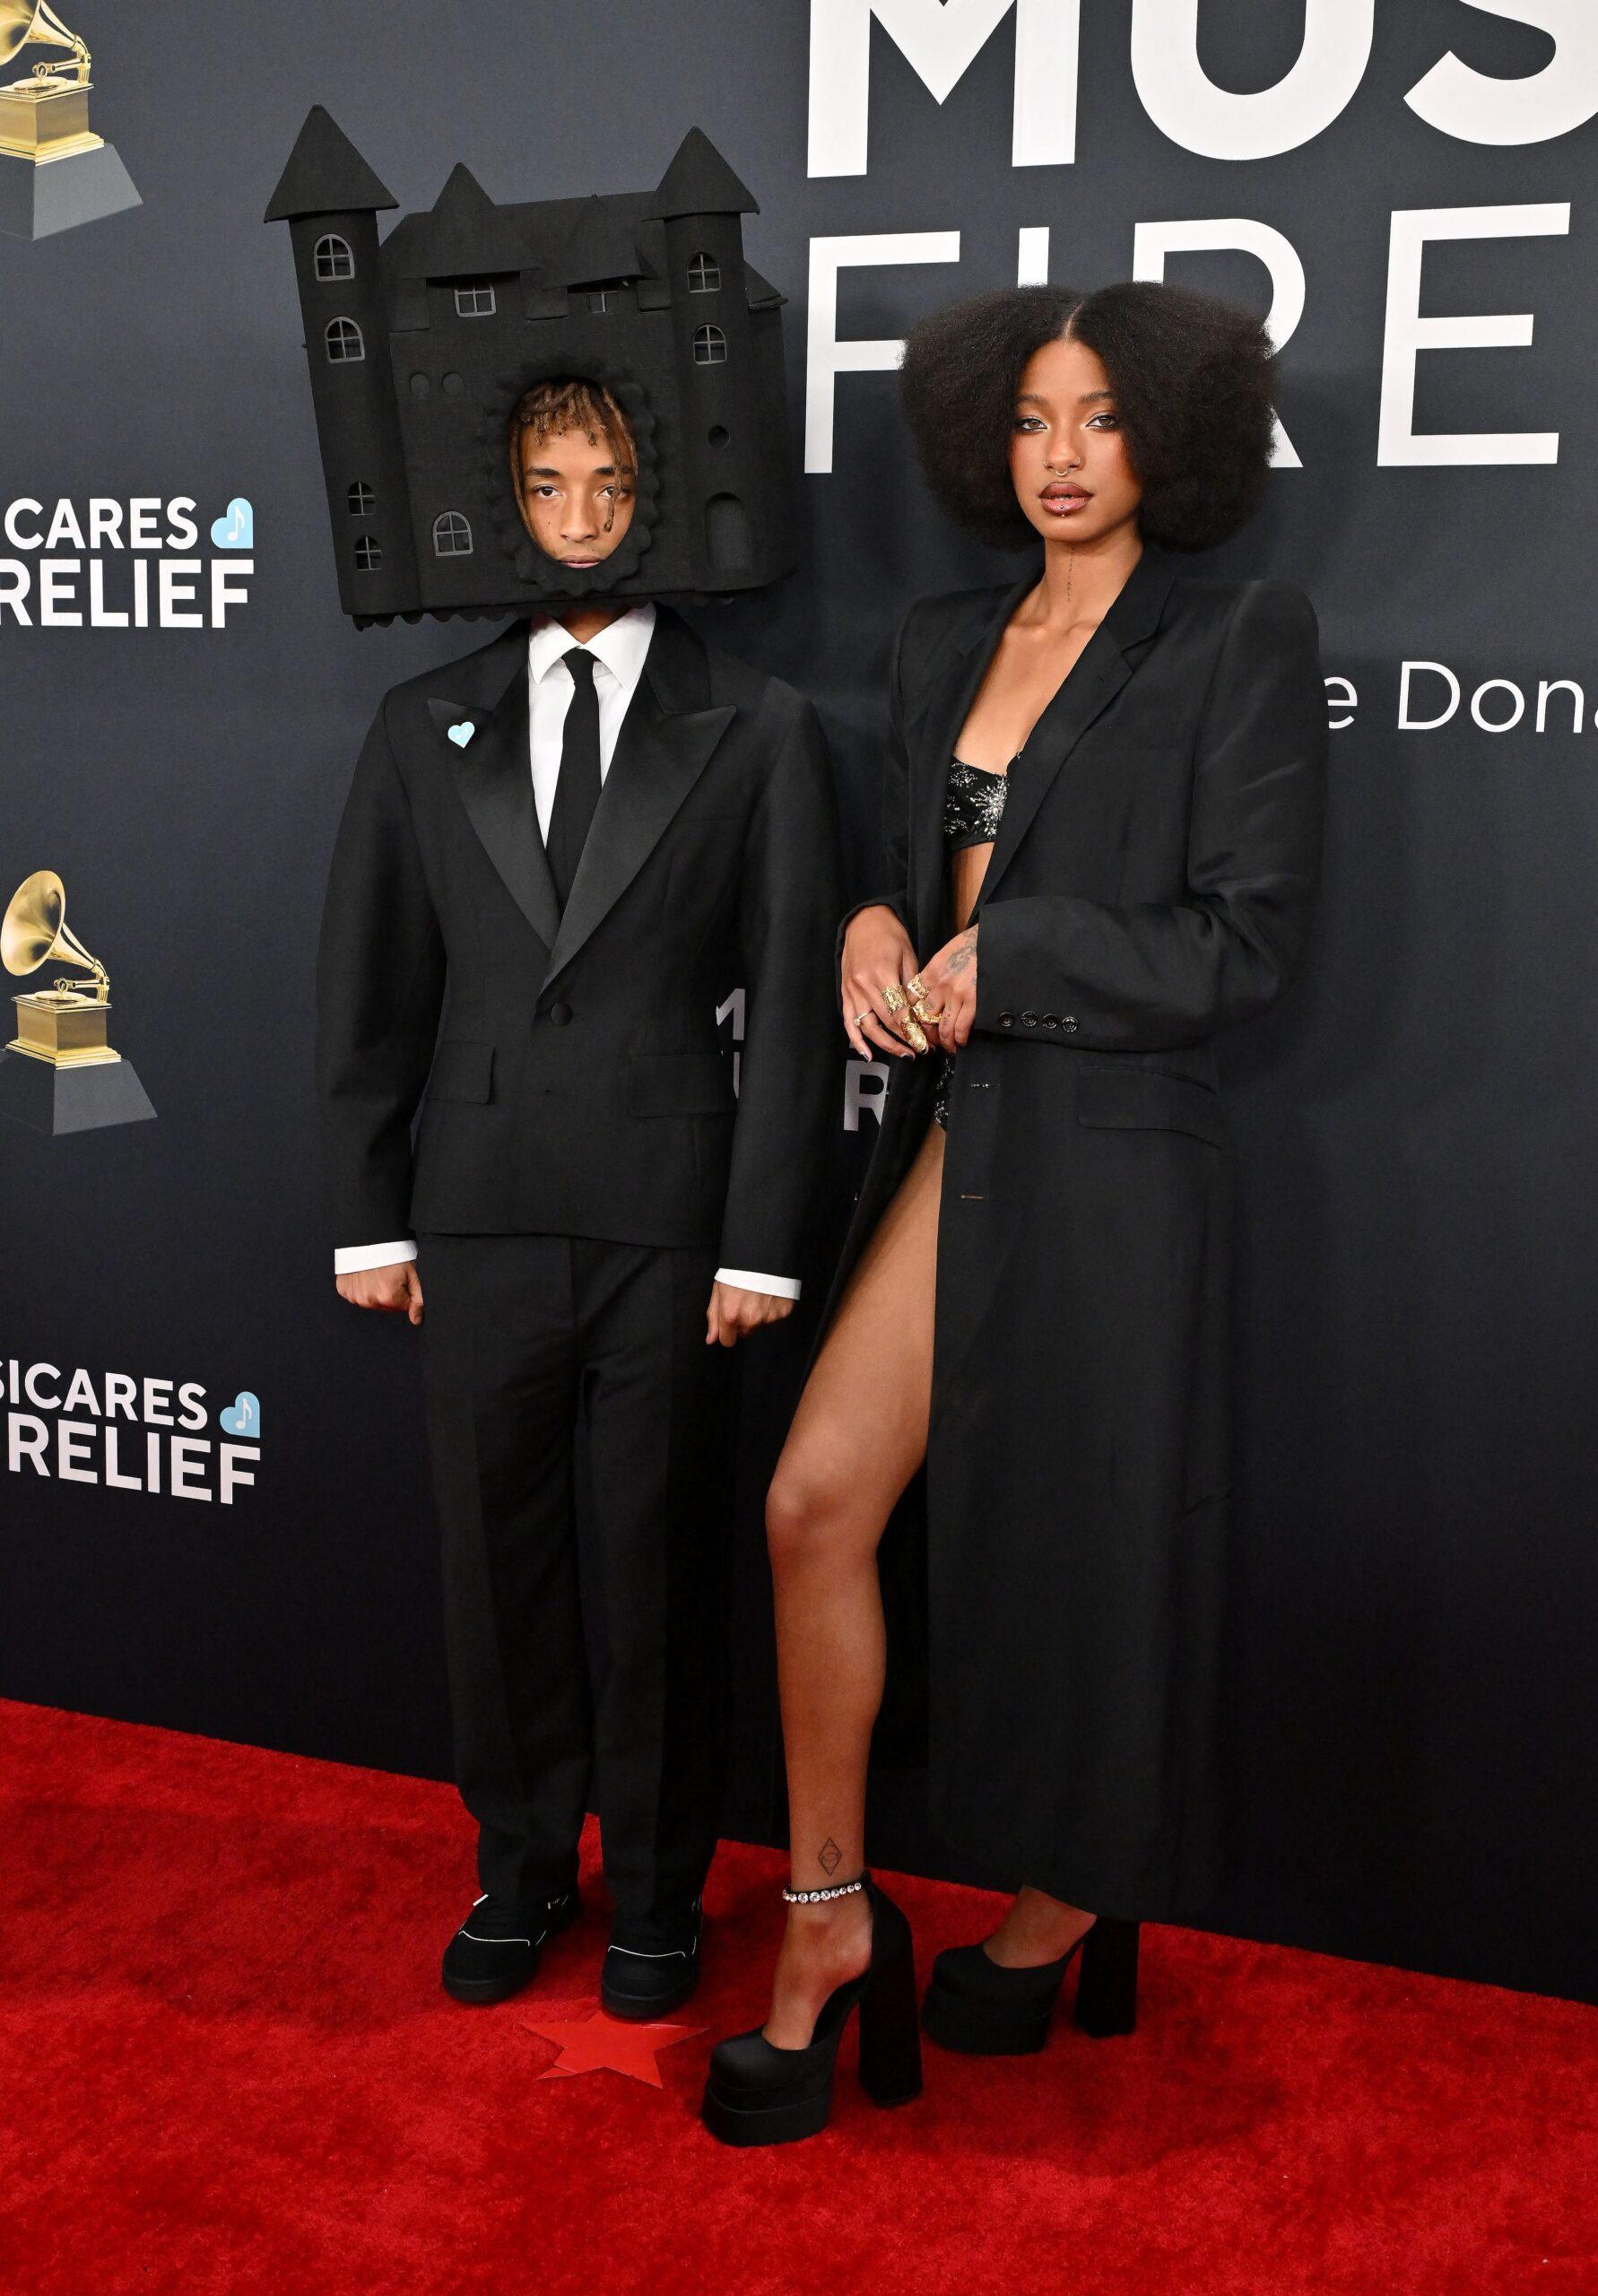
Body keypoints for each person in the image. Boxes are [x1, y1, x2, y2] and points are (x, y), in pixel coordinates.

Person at [702, 281, 1328, 2144]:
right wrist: (876, 932)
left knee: (1084, 1548)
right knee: (815, 1501)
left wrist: (1013, 952)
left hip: (1120, 1156)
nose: (1061, 455)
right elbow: (909, 883)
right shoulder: (936, 641)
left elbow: (1248, 937)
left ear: (1172, 442)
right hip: (962, 1134)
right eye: (1036, 419)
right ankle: (827, 1921)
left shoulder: (1237, 641)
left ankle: (1065, 1897)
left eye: (1103, 420)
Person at [317, 377, 842, 2021]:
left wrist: (764, 1239)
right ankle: (525, 1862)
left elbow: (793, 997)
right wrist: (370, 1212)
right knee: (500, 1563)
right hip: (471, 1210)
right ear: (506, 506)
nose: (580, 513)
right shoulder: (423, 719)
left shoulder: (755, 723)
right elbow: (370, 988)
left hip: (671, 1216)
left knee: (660, 1560)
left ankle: (663, 1892)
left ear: (653, 496)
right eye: (546, 485)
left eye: (608, 482)